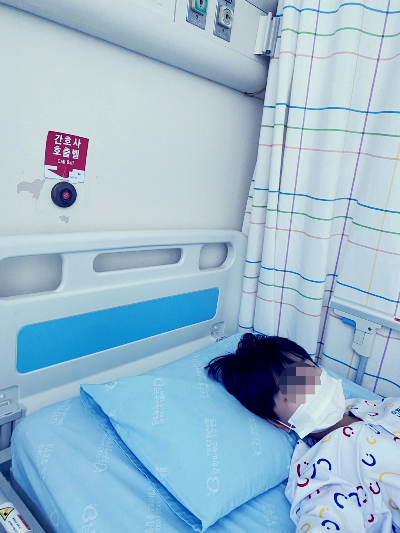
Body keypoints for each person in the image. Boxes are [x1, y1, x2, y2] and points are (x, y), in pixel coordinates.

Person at [205, 333, 400, 533]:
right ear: (278, 423)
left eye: (308, 371)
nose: (310, 385)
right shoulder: (323, 473)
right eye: (292, 390)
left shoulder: (383, 406)